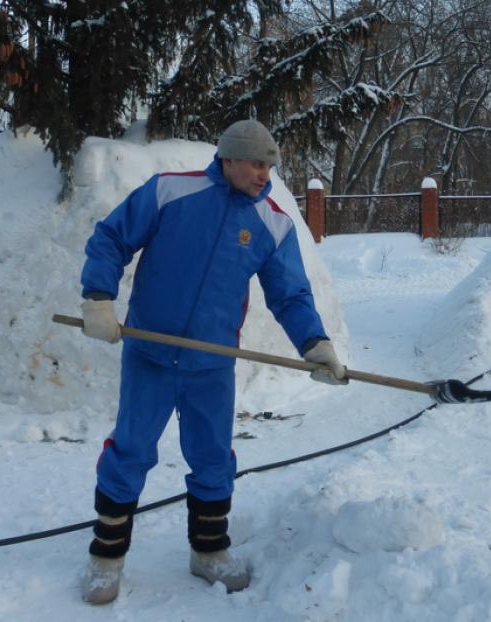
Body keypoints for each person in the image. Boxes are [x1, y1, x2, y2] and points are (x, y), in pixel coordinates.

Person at [77, 119, 348, 604]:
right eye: (257, 163)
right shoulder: (169, 193)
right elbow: (111, 238)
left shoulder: (273, 223)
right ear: (228, 157)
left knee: (212, 458)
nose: (265, 174)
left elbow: (290, 294)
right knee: (130, 451)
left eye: (270, 165)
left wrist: (315, 344)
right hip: (150, 354)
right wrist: (98, 297)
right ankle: (106, 559)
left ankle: (208, 551)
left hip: (212, 363)